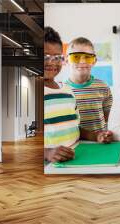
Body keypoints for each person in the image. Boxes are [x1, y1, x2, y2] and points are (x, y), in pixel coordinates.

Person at [64, 37, 113, 143]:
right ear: (66, 60)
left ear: (94, 61)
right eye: (76, 57)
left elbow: (108, 117)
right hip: (74, 144)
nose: (82, 62)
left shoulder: (103, 87)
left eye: (87, 57)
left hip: (100, 142)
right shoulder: (62, 91)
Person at [43, 27, 77, 162]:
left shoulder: (68, 90)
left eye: (57, 57)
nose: (52, 62)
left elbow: (73, 125)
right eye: (45, 56)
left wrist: (95, 135)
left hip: (75, 156)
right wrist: (47, 153)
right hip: (49, 164)